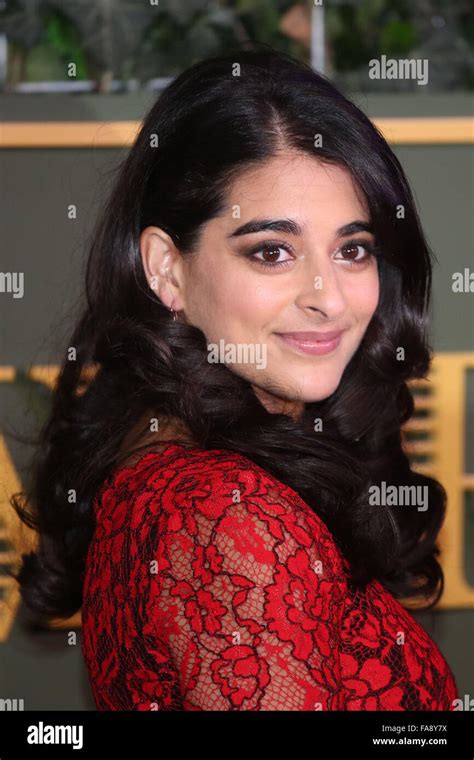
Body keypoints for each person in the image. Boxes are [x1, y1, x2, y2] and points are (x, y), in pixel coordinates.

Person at [11, 45, 459, 710]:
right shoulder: (227, 516)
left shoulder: (174, 460)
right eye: (272, 252)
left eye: (352, 249)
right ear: (167, 269)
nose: (329, 298)